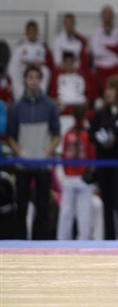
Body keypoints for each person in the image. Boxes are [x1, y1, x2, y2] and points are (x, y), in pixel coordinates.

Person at [6, 65, 61, 239]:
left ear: (41, 80)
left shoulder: (50, 106)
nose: (34, 81)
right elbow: (11, 136)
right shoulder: (17, 107)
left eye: (37, 78)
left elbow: (56, 134)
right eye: (30, 77)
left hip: (42, 163)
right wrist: (20, 153)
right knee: (21, 206)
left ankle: (41, 242)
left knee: (43, 206)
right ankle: (21, 242)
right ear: (25, 79)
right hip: (23, 164)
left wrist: (47, 153)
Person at [90, 75, 118, 240]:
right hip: (104, 164)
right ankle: (109, 240)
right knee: (107, 204)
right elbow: (91, 133)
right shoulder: (101, 113)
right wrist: (100, 139)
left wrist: (116, 140)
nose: (107, 92)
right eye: (107, 89)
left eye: (111, 89)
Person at [56, 105, 96, 240]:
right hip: (79, 177)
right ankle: (81, 241)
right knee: (82, 214)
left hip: (75, 177)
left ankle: (62, 241)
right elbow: (92, 156)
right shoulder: (86, 135)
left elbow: (64, 156)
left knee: (66, 212)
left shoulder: (69, 134)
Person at [8, 20, 54, 101]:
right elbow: (14, 61)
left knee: (46, 71)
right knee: (14, 68)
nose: (32, 33)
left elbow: (45, 61)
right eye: (30, 31)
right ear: (26, 32)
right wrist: (22, 62)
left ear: (37, 32)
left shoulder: (42, 46)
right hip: (23, 68)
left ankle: (41, 95)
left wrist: (39, 63)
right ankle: (19, 97)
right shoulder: (20, 45)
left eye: (34, 31)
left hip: (36, 68)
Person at [91, 5, 118, 91]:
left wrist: (106, 47)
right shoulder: (96, 33)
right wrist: (114, 50)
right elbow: (97, 52)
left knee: (117, 89)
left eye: (110, 14)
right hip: (101, 66)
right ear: (102, 16)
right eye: (106, 15)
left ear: (113, 16)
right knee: (104, 88)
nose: (108, 17)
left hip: (116, 65)